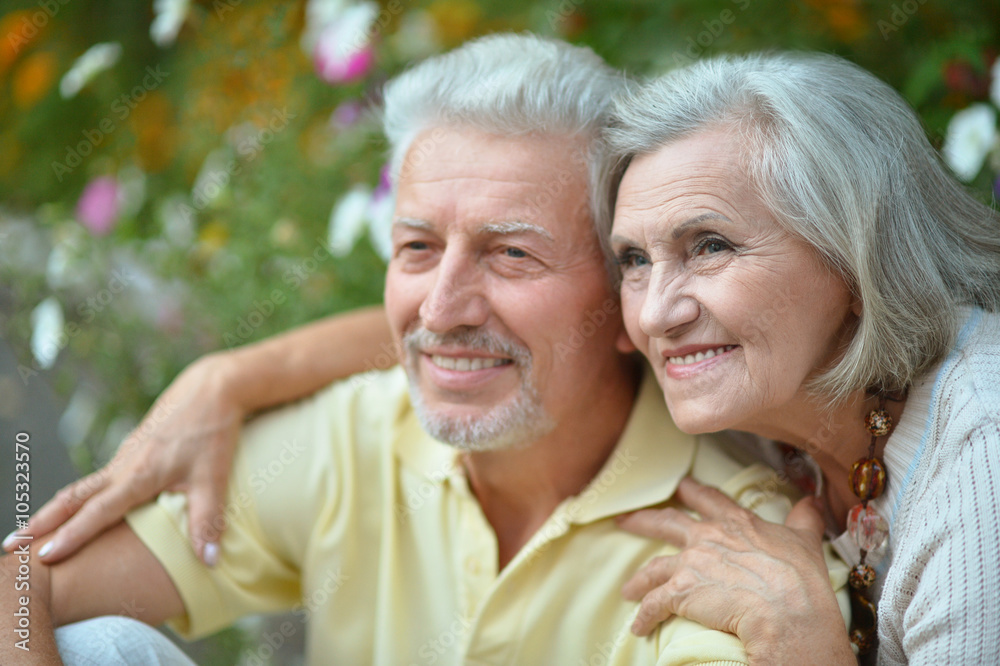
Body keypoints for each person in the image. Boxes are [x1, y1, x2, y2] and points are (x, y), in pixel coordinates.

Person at [0, 35, 849, 666]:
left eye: (512, 254)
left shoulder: (735, 545)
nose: (441, 308)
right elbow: (21, 586)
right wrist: (226, 376)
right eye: (415, 248)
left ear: (628, 292)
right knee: (102, 646)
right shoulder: (348, 436)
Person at [604, 52, 1000, 663]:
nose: (655, 315)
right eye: (634, 259)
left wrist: (801, 640)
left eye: (710, 246)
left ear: (861, 259)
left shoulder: (983, 465)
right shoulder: (768, 392)